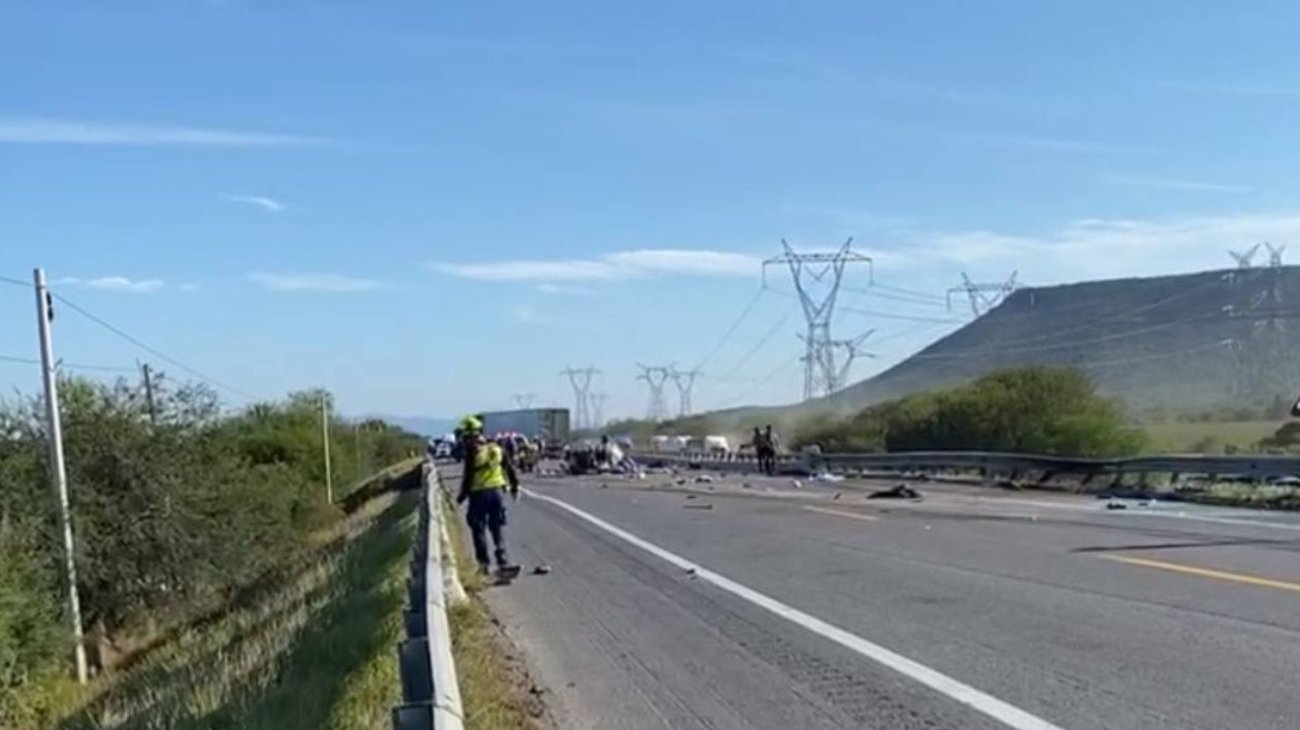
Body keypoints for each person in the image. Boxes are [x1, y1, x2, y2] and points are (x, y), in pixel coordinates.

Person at [456, 415, 520, 575]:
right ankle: (502, 559)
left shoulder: (473, 453)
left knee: (478, 529)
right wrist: (514, 487)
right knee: (496, 527)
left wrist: (461, 497)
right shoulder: (496, 449)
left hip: (478, 495)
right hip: (497, 493)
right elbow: (509, 468)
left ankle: (483, 564)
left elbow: (468, 477)